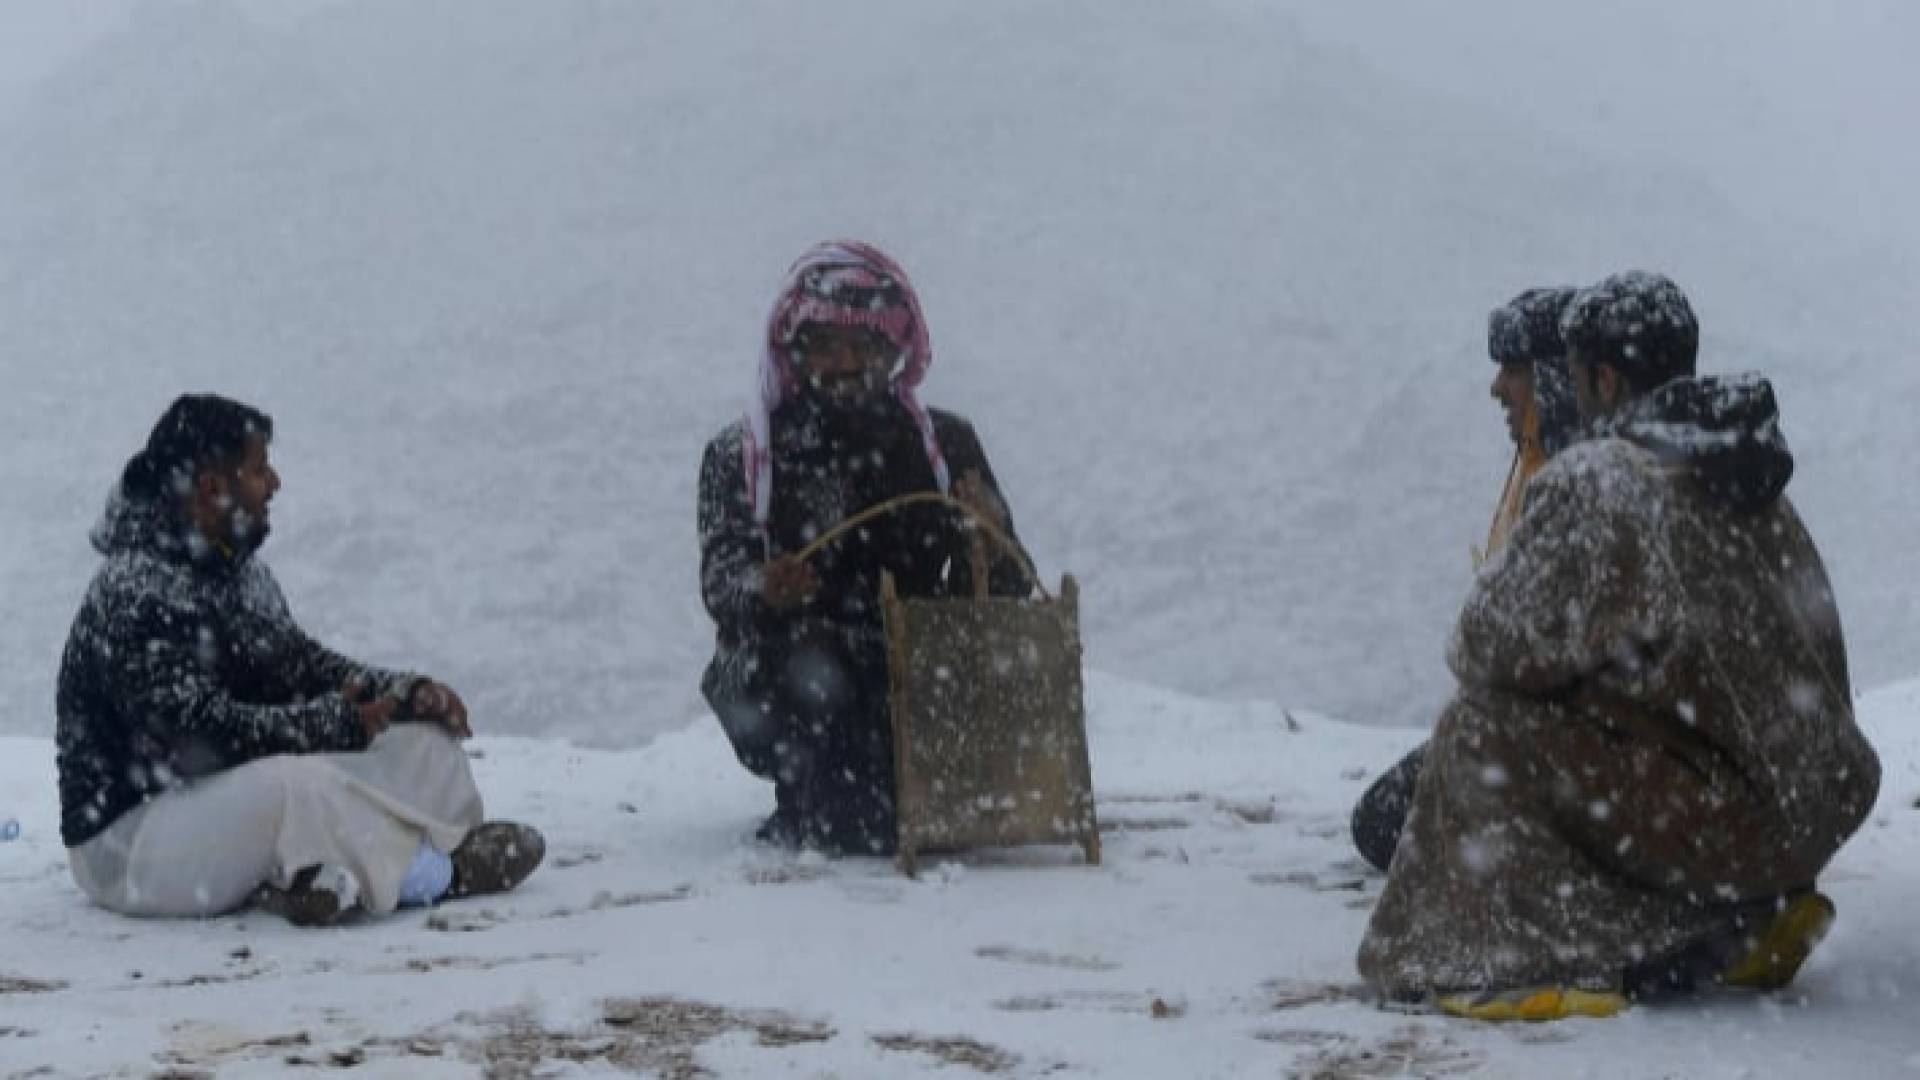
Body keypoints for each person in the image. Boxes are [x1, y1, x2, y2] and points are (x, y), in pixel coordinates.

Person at [1357, 272, 1881, 1020]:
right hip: (1810, 809)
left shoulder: (1602, 478)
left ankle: (1537, 955)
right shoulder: (1748, 470)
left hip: (1727, 821)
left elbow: (1485, 645)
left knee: (1482, 726)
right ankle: (1745, 915)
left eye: (1571, 375)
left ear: (1602, 377)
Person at [56, 394, 544, 926]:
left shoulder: (238, 570)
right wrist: (328, 724)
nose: (275, 484)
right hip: (130, 846)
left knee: (425, 744)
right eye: (260, 468)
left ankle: (315, 876)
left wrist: (404, 695)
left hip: (222, 807)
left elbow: (300, 667)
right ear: (212, 487)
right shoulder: (135, 591)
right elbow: (196, 740)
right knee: (292, 784)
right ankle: (436, 875)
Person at [698, 241, 1033, 855]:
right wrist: (766, 589)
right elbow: (722, 584)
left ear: (894, 350)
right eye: (827, 345)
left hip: (920, 672)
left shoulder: (947, 445)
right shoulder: (742, 457)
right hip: (795, 678)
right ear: (796, 351)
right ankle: (817, 800)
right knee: (807, 668)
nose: (847, 362)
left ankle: (896, 791)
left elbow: (1007, 591)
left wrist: (992, 535)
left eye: (865, 345)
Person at [1350, 286, 1580, 874]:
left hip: (1551, 746)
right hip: (1526, 734)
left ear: (1554, 378)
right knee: (1385, 816)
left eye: (1514, 370)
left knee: (1384, 822)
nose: (1498, 388)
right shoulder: (1540, 470)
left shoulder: (1573, 489)